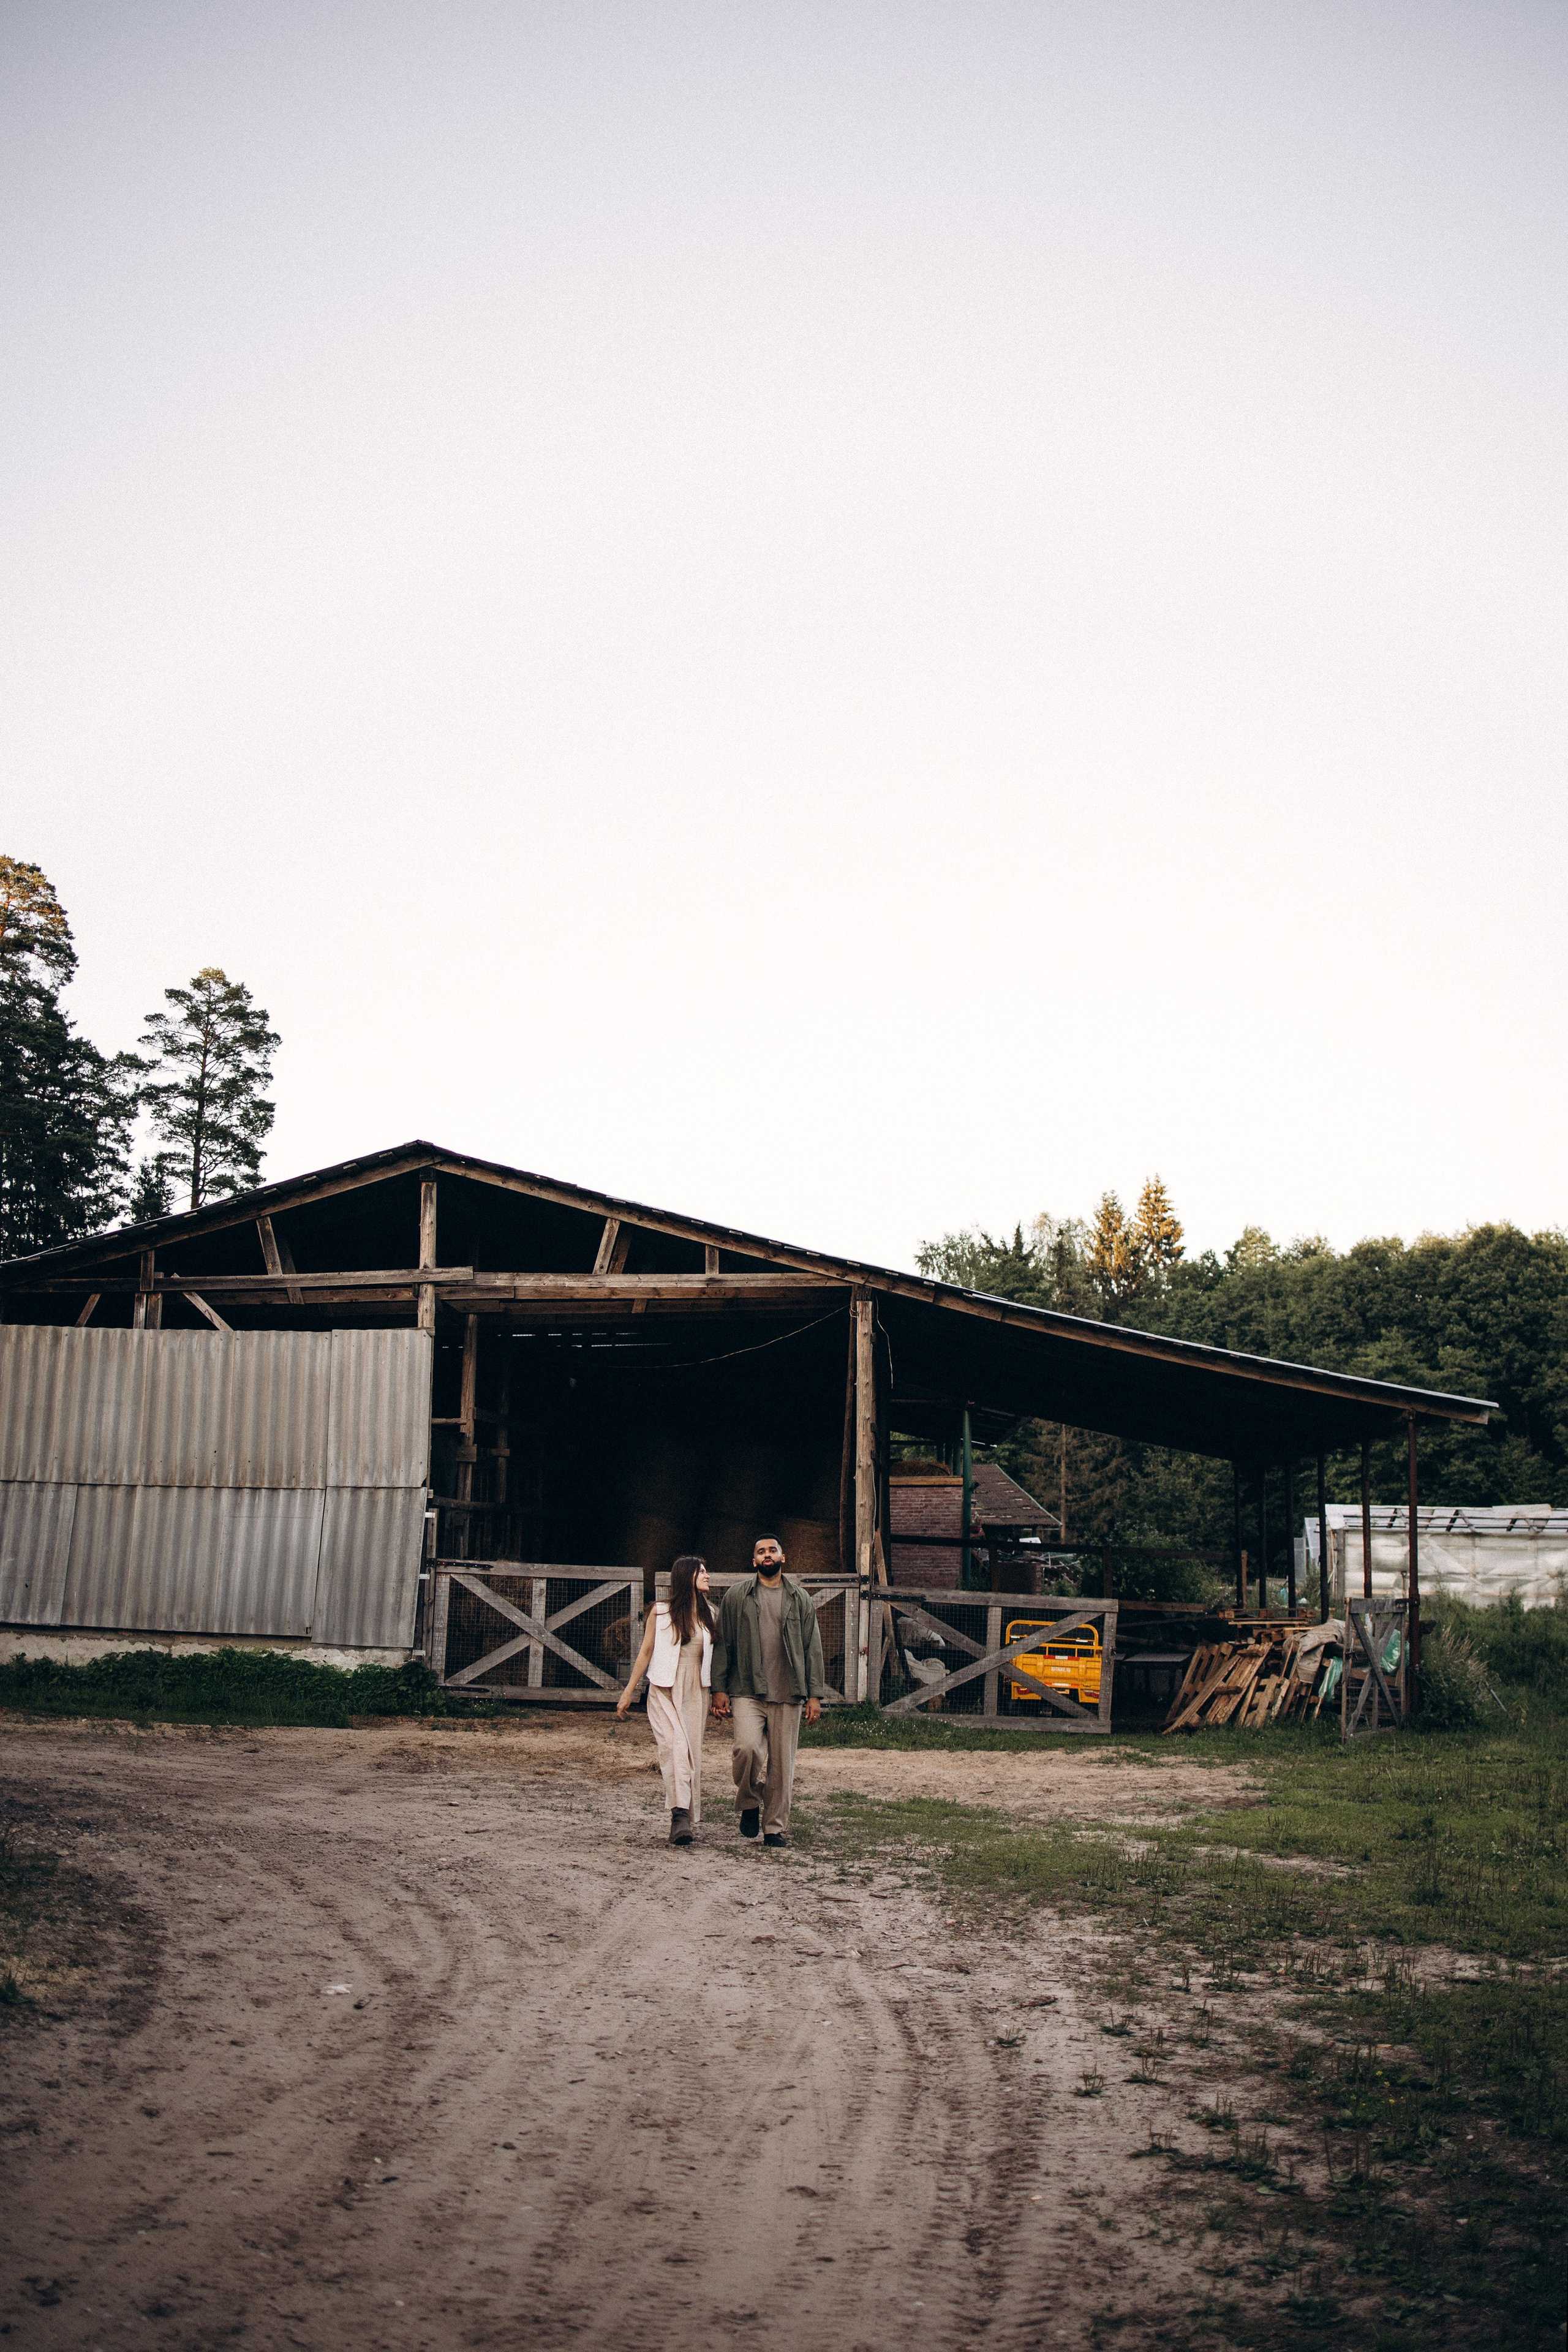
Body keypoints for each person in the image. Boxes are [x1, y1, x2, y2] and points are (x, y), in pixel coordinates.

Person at [710, 1534, 824, 1847]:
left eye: (772, 1550)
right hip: (747, 1688)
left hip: (789, 1692)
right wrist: (718, 1689)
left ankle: (774, 1828)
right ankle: (749, 1801)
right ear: (754, 1561)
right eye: (761, 1552)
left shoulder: (800, 1599)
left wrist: (814, 1694)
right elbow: (723, 1644)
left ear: (783, 1557)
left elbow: (812, 1648)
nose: (767, 1555)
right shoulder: (736, 1597)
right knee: (747, 1748)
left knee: (782, 1765)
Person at [616, 1554, 715, 1845]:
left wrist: (723, 1695)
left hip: (697, 1690)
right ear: (688, 1578)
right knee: (675, 1748)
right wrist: (629, 1691)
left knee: (690, 1754)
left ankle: (685, 1814)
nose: (708, 1576)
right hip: (663, 1689)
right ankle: (679, 1816)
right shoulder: (660, 1613)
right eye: (702, 1572)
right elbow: (645, 1653)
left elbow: (718, 1658)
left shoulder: (711, 1613)